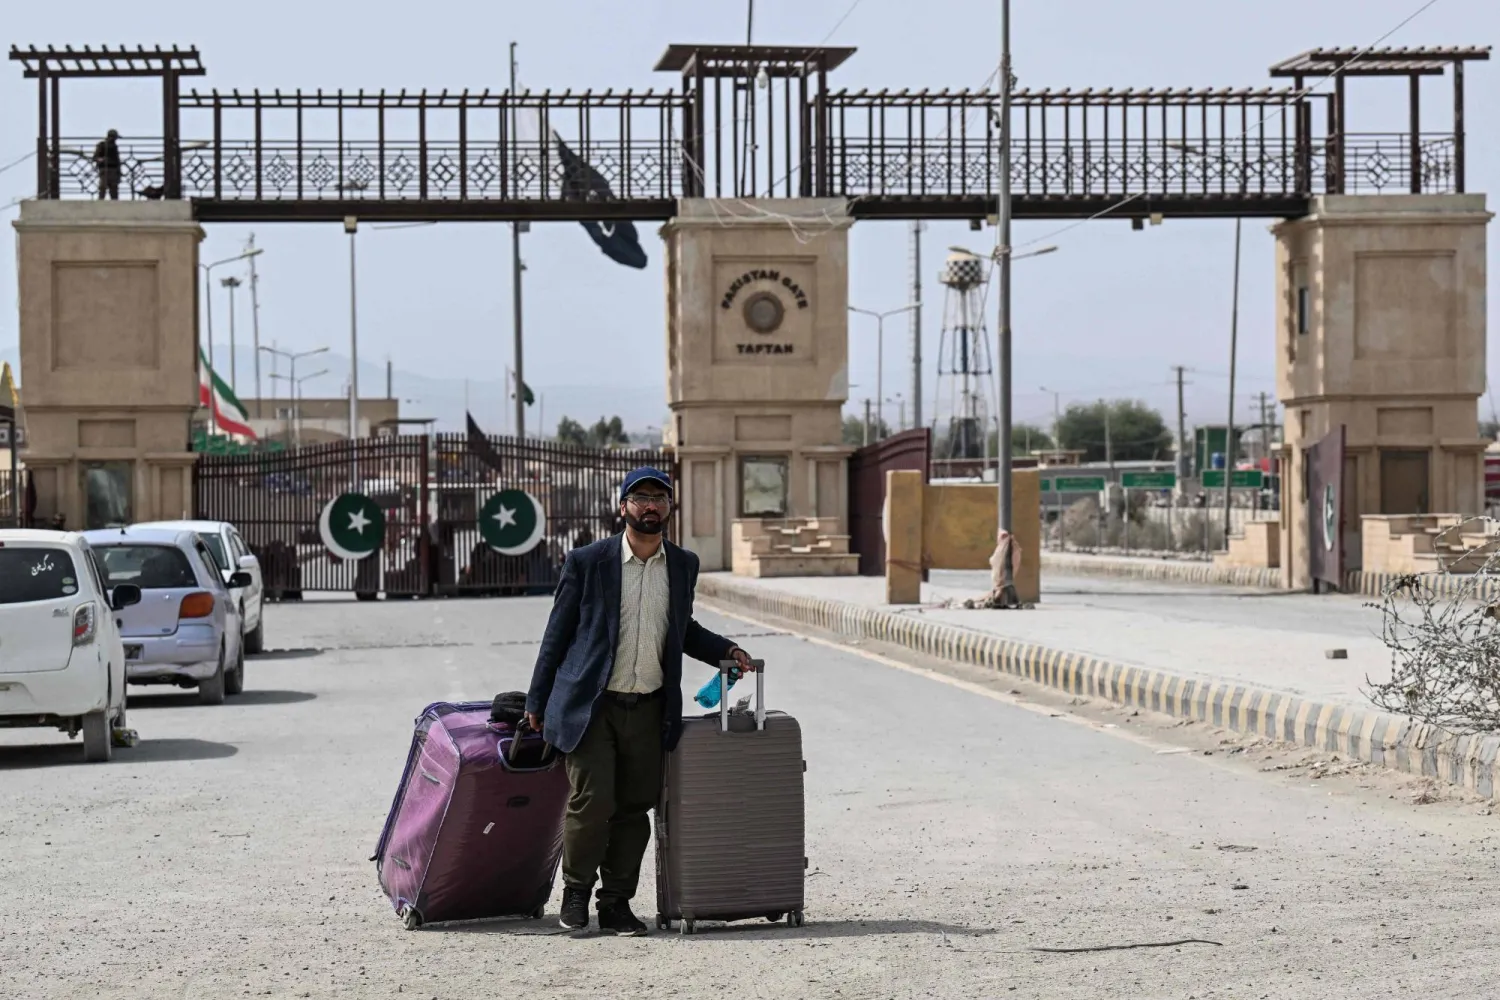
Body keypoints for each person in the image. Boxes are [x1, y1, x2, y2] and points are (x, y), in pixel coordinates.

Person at [526, 467, 754, 936]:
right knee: (592, 801)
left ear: (670, 509)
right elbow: (557, 634)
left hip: (649, 707)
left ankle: (616, 904)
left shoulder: (683, 565)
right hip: (592, 706)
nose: (650, 505)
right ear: (623, 506)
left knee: (634, 808)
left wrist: (725, 651)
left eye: (659, 498)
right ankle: (576, 893)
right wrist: (538, 698)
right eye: (640, 497)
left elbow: (683, 629)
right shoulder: (588, 562)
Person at [92, 130, 121, 200]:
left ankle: (115, 205)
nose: (115, 140)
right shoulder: (102, 145)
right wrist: (101, 159)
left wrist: (119, 172)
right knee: (103, 188)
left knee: (114, 190)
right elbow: (95, 157)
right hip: (105, 169)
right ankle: (101, 203)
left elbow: (117, 161)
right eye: (114, 138)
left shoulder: (114, 147)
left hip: (114, 170)